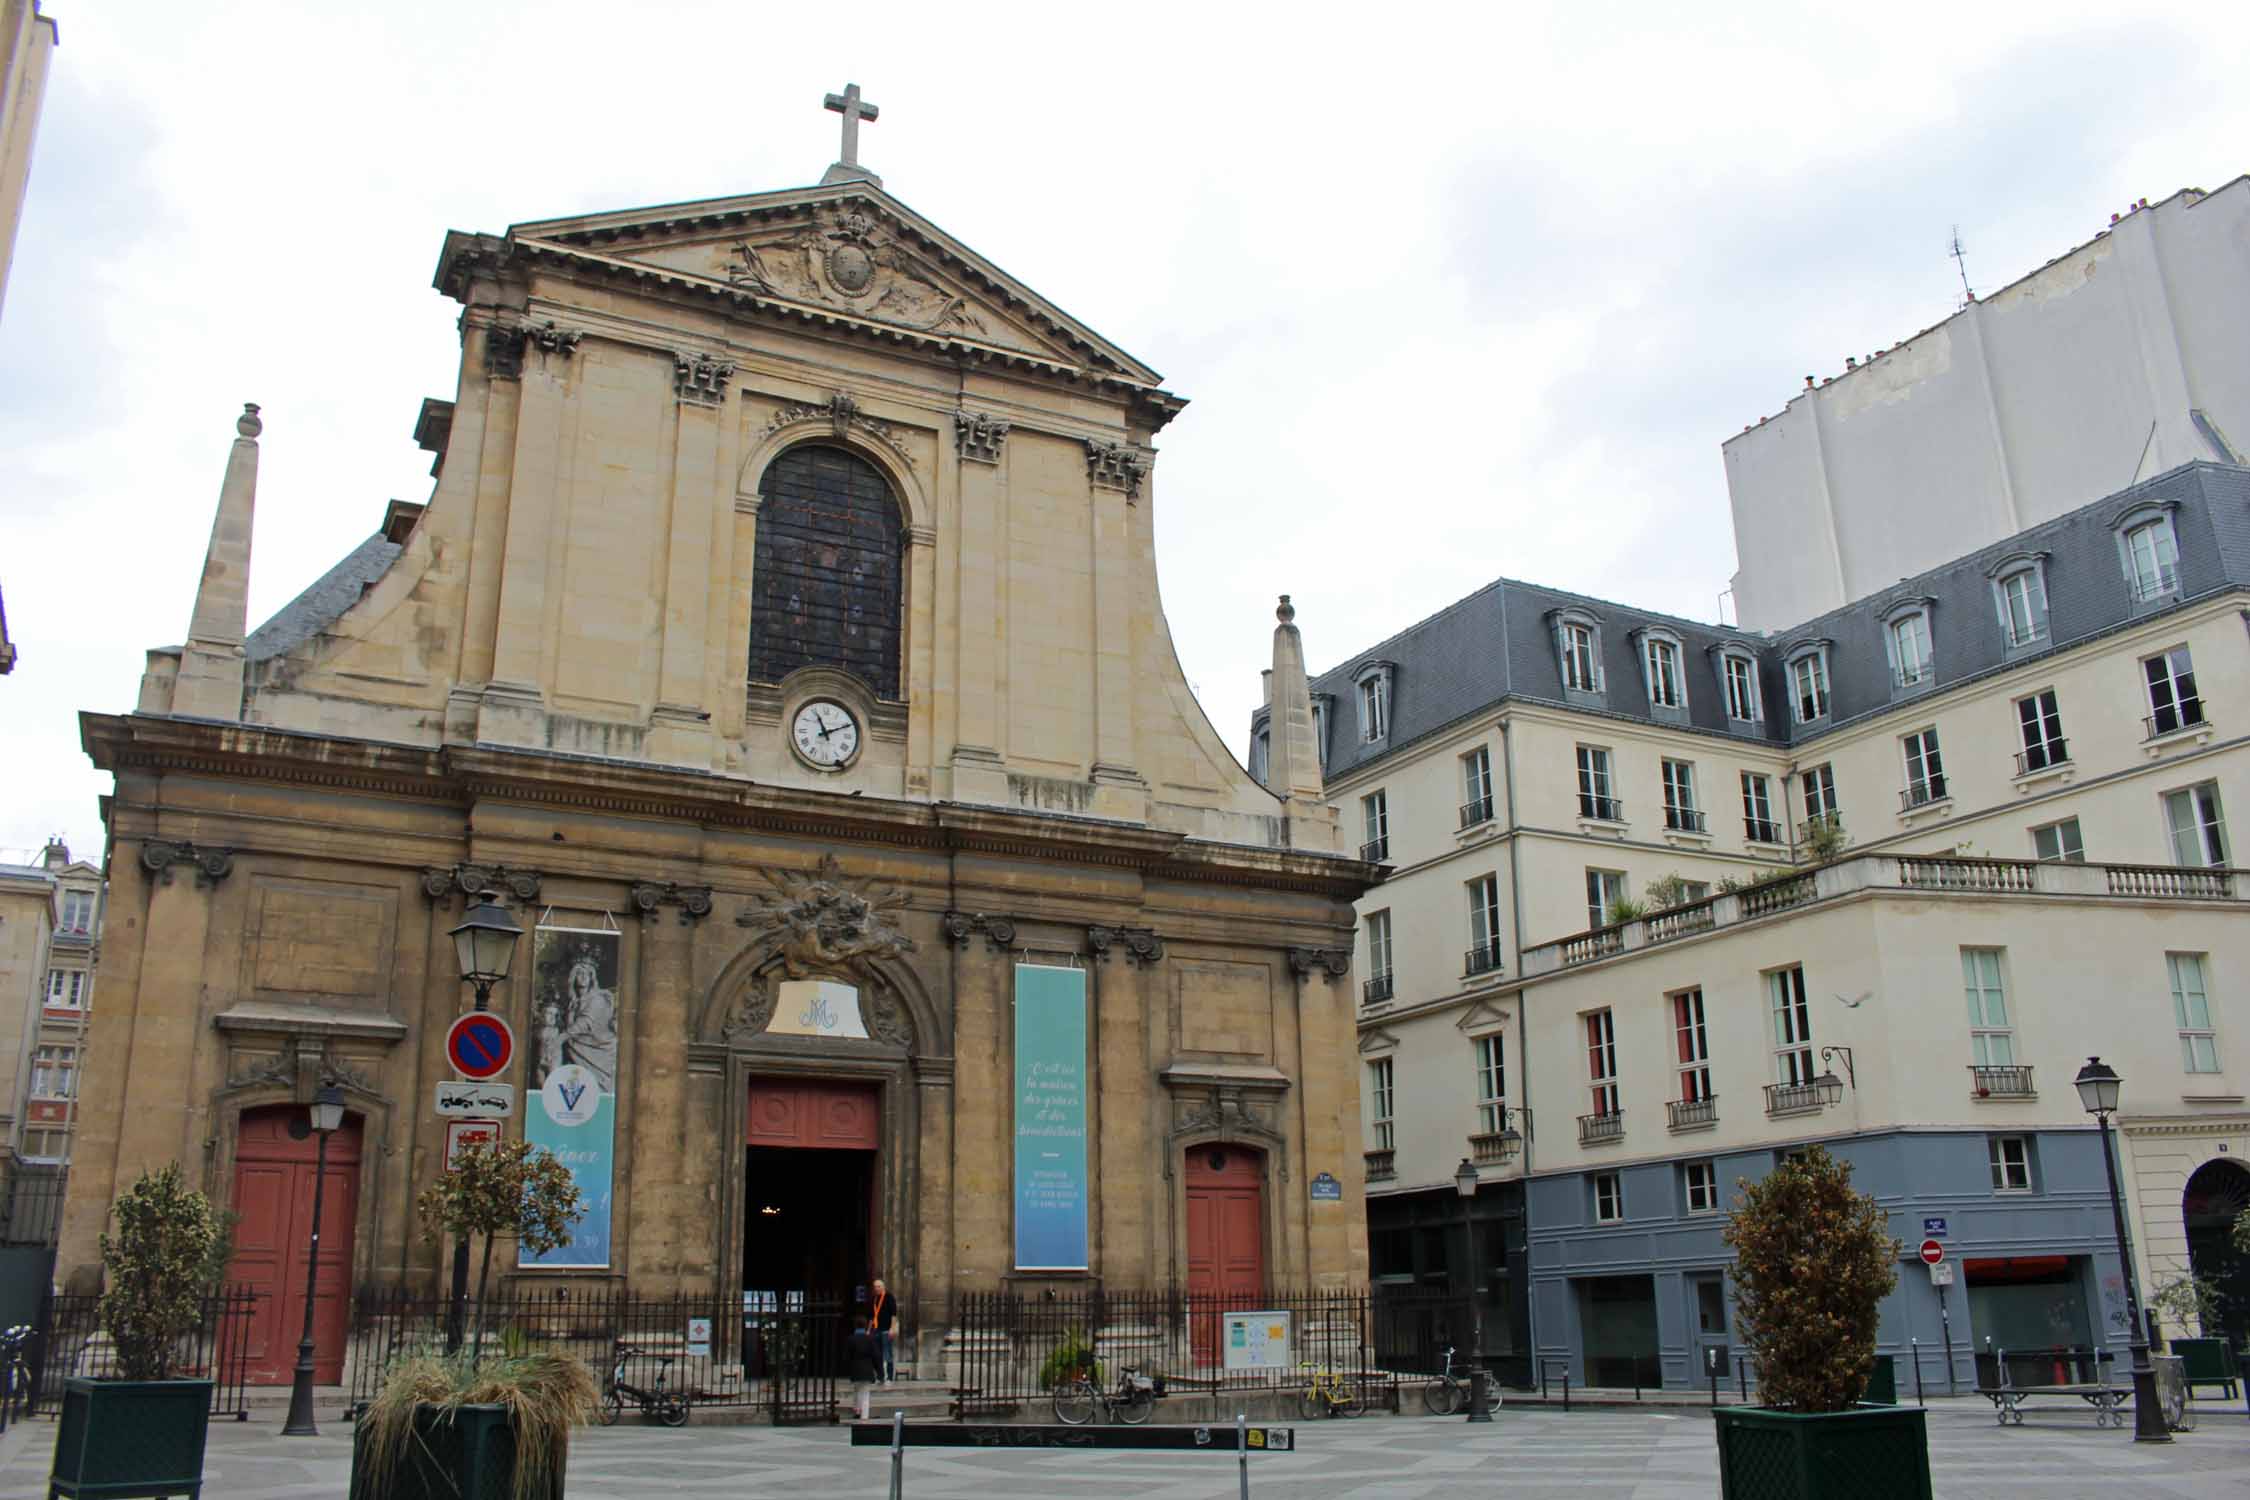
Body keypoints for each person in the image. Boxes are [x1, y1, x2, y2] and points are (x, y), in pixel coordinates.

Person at [846, 1321, 877, 1419]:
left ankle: (857, 1410)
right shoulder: (870, 1339)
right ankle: (864, 1417)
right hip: (867, 1370)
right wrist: (879, 1371)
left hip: (855, 1370)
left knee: (857, 1390)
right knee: (865, 1394)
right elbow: (875, 1355)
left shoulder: (851, 1339)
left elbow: (847, 1356)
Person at [869, 1277, 898, 1384]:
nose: (877, 1288)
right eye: (875, 1287)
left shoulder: (889, 1297)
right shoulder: (874, 1299)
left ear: (883, 1287)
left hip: (886, 1329)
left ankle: (889, 1377)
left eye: (879, 1286)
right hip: (876, 1329)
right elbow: (872, 1316)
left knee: (887, 1353)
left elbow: (894, 1314)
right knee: (877, 1354)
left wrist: (892, 1328)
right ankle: (880, 1376)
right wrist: (869, 1330)